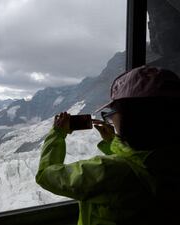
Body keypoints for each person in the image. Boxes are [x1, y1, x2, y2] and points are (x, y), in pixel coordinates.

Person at [36, 66, 180, 225]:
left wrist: (57, 134)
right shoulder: (171, 162)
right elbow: (139, 161)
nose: (109, 119)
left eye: (111, 114)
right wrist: (112, 141)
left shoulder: (106, 171)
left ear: (130, 118)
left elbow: (46, 175)